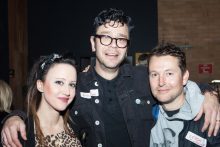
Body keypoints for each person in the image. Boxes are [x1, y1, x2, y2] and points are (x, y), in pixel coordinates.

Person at [1, 8, 220, 147]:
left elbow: (174, 85)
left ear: (127, 45)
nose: (113, 46)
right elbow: (46, 106)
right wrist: (13, 117)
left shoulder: (144, 79)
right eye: (105, 38)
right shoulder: (76, 84)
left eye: (120, 40)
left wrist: (207, 93)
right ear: (93, 43)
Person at [1, 53, 82, 146]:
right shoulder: (19, 134)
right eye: (59, 82)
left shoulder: (76, 123)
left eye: (72, 84)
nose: (67, 91)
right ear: (40, 85)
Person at [148, 43, 220, 147]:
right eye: (154, 74)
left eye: (169, 73)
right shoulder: (142, 111)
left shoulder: (211, 118)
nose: (161, 82)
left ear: (184, 77)